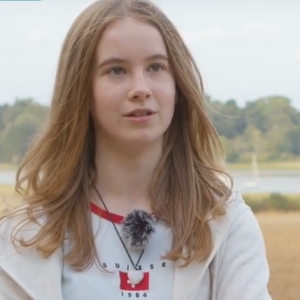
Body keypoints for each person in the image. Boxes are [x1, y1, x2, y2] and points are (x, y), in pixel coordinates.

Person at [0, 0, 273, 299]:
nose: (141, 88)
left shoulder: (224, 221)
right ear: (80, 91)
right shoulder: (24, 235)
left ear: (178, 85)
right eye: (116, 70)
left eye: (156, 67)